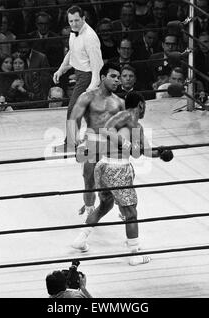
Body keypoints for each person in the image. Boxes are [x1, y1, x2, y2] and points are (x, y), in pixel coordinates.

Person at [72, 91, 174, 266]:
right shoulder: (124, 115)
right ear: (141, 105)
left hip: (104, 167)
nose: (145, 111)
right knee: (131, 213)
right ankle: (134, 253)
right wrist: (127, 145)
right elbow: (106, 130)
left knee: (106, 205)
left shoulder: (138, 127)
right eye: (145, 107)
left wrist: (161, 153)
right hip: (116, 169)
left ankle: (81, 239)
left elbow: (145, 151)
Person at [67, 63, 125, 217]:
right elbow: (73, 119)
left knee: (117, 180)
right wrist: (75, 139)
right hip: (92, 142)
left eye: (118, 77)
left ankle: (124, 209)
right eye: (113, 76)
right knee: (89, 181)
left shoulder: (119, 102)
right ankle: (89, 210)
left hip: (111, 144)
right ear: (103, 77)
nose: (117, 80)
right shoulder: (87, 97)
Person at [53, 5, 104, 151]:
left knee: (74, 109)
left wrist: (91, 88)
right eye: (71, 21)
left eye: (76, 20)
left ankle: (71, 143)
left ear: (83, 18)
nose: (74, 24)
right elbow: (72, 51)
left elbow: (97, 65)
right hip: (80, 73)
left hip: (88, 76)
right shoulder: (74, 32)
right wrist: (61, 69)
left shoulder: (90, 37)